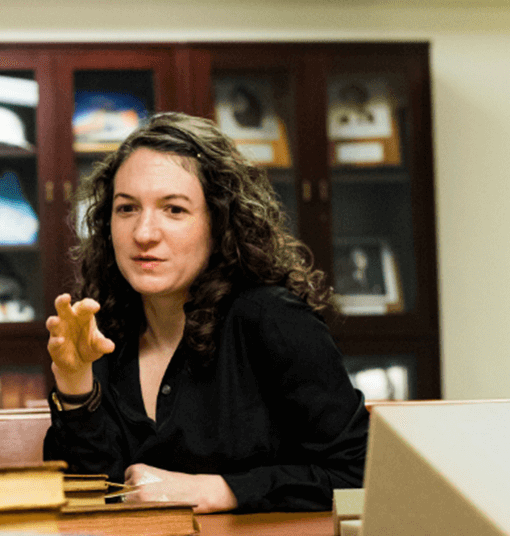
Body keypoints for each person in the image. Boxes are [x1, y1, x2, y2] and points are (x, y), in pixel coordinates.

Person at [42, 112, 367, 514]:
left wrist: (218, 491)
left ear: (220, 222)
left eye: (174, 210)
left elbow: (359, 474)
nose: (144, 233)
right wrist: (75, 386)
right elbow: (89, 499)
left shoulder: (273, 320)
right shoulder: (101, 329)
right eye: (126, 208)